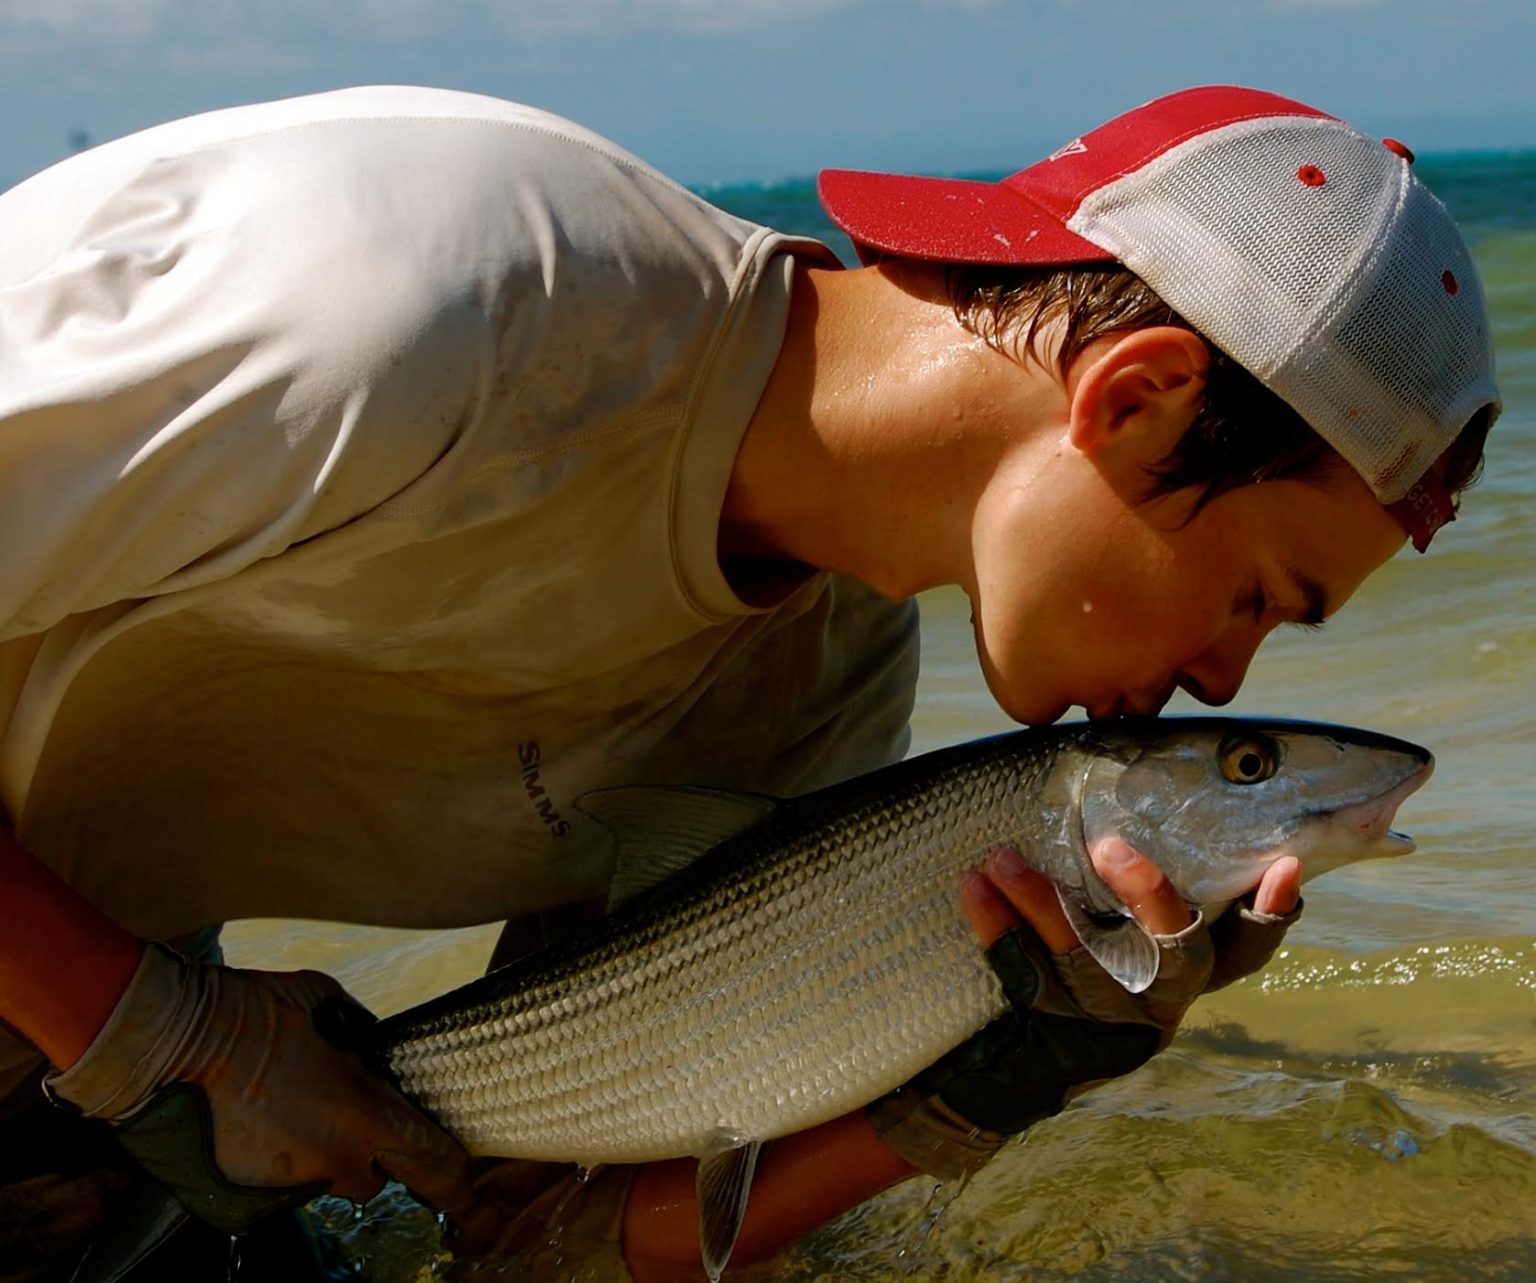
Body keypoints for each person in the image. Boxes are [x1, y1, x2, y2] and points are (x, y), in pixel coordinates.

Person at [0, 82, 1497, 1282]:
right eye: (1253, 597)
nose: (1219, 674)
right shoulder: (425, 302)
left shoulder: (818, 686)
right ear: (1137, 400)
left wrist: (971, 1093)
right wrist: (159, 1028)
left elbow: (538, 1232)